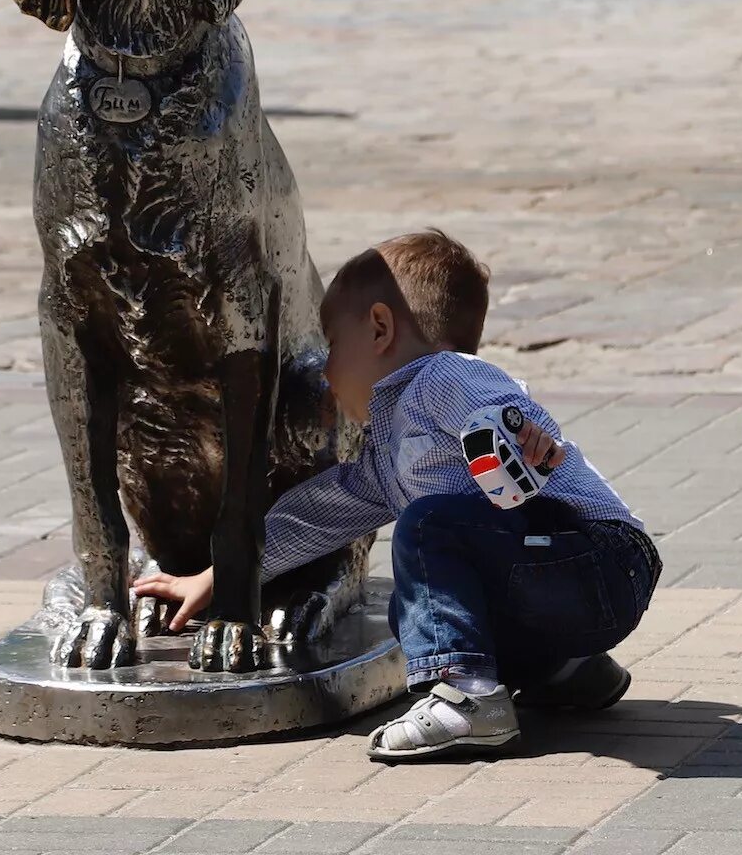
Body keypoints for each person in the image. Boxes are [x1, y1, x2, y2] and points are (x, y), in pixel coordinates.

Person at [134, 230, 661, 762]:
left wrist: (522, 439)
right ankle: (566, 669)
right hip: (560, 581)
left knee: (427, 529)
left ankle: (467, 699)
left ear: (380, 328)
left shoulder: (442, 377)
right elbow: (316, 517)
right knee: (421, 607)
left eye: (333, 347)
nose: (325, 372)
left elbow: (499, 409)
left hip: (600, 556)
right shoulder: (384, 459)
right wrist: (220, 574)